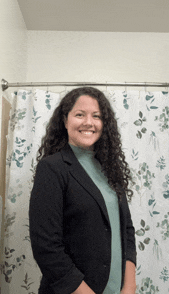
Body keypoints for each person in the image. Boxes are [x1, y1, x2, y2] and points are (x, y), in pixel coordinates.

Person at [29, 87, 136, 294]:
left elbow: (127, 230)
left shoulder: (110, 168)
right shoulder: (52, 168)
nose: (89, 122)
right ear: (65, 120)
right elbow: (47, 248)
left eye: (96, 116)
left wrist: (129, 286)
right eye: (80, 114)